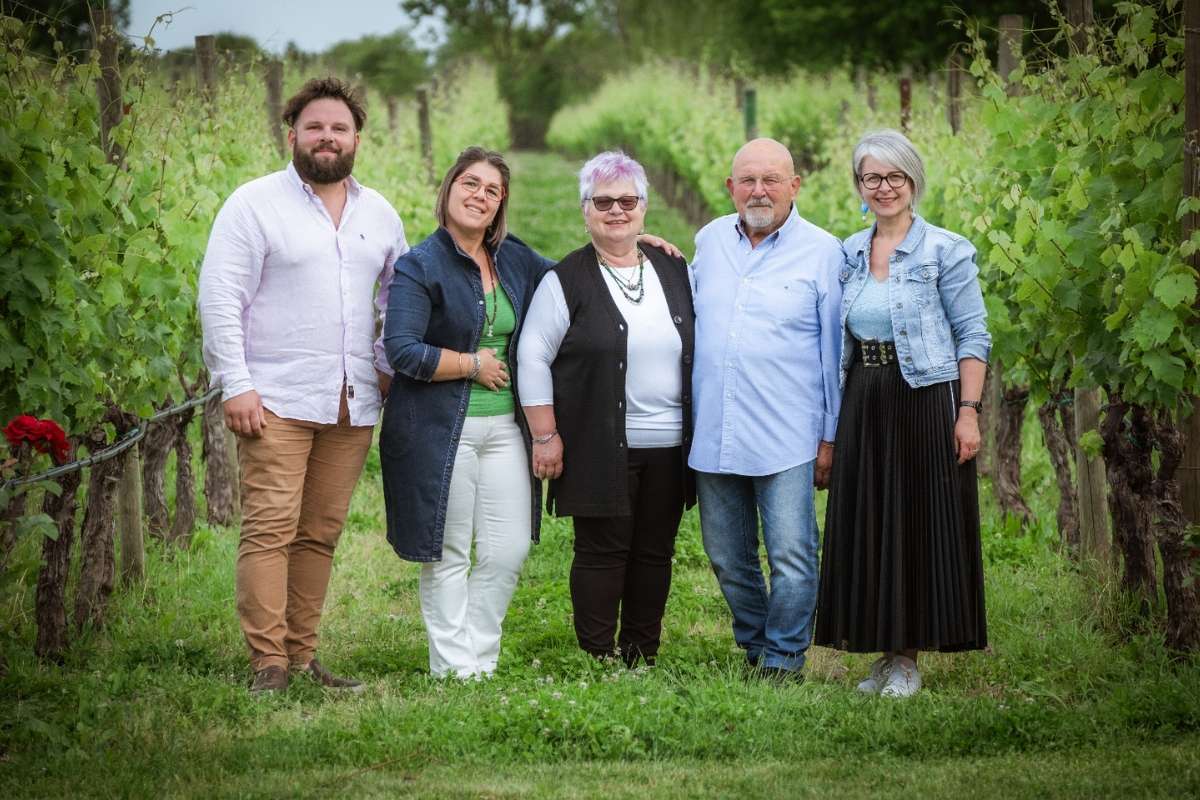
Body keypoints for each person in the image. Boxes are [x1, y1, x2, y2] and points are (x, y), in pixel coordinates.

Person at [380, 147, 683, 678]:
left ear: (501, 204)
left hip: (503, 429)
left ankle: (482, 657)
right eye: (470, 184)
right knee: (449, 551)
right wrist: (471, 363)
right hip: (440, 428)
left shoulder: (514, 259)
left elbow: (579, 279)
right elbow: (401, 349)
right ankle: (454, 667)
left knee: (508, 548)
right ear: (448, 190)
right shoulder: (419, 265)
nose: (480, 196)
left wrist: (634, 245)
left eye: (492, 190)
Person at [199, 77, 407, 694]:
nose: (326, 138)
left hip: (352, 403)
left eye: (338, 128)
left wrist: (386, 364)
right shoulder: (254, 204)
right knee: (270, 528)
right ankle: (267, 663)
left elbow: (398, 298)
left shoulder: (381, 213)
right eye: (314, 127)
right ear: (291, 135)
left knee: (320, 533)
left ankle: (302, 653)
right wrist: (234, 383)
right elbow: (220, 297)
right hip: (275, 399)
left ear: (356, 140)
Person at [814, 129, 990, 698]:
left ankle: (908, 660)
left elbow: (973, 334)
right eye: (871, 177)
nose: (883, 187)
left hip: (923, 397)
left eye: (894, 177)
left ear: (913, 181)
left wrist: (968, 411)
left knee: (915, 523)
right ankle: (884, 655)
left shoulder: (946, 249)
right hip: (863, 395)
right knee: (870, 521)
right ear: (859, 186)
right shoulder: (845, 252)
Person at [517, 151, 695, 668]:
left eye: (627, 201)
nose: (616, 211)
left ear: (643, 207)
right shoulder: (565, 279)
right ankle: (598, 655)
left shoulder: (674, 267)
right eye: (603, 202)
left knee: (655, 552)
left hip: (669, 443)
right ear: (585, 210)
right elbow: (533, 355)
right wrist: (545, 435)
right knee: (601, 551)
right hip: (600, 442)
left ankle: (642, 652)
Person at [690, 138, 843, 681]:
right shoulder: (708, 241)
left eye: (771, 179)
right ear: (730, 188)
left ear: (794, 186)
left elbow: (833, 353)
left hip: (787, 436)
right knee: (729, 558)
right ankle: (757, 647)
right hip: (716, 429)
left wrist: (830, 436)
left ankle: (783, 659)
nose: (759, 190)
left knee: (793, 558)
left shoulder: (825, 253)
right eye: (747, 180)